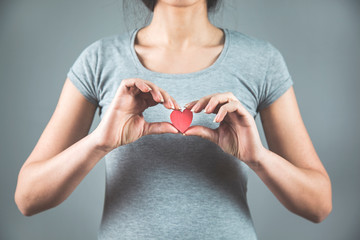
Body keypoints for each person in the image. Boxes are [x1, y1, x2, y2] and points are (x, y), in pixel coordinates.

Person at [14, 0, 332, 239]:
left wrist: (258, 158)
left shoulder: (261, 61)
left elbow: (318, 205)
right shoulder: (99, 59)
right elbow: (27, 198)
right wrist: (99, 143)